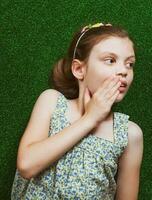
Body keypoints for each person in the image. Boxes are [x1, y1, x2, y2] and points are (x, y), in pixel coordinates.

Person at [10, 22, 144, 199]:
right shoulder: (51, 102)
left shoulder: (129, 134)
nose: (123, 71)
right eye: (110, 60)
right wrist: (90, 119)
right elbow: (27, 165)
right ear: (79, 69)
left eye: (129, 64)